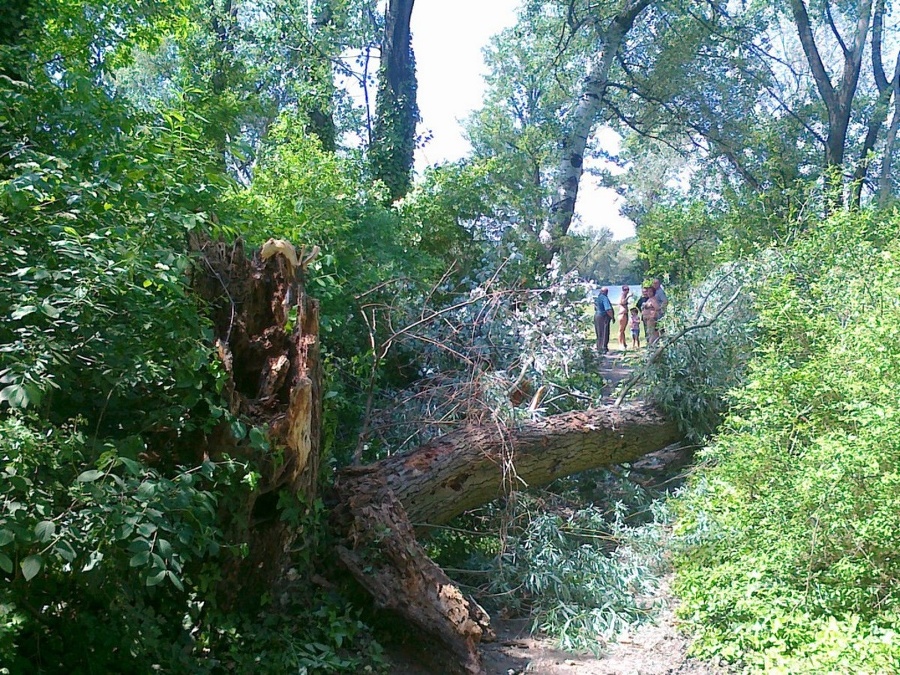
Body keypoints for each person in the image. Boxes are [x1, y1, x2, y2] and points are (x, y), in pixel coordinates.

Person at [593, 287, 613, 354]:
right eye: (606, 291)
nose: (607, 293)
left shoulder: (597, 298)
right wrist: (612, 317)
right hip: (603, 317)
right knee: (604, 332)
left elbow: (595, 308)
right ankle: (603, 348)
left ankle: (599, 347)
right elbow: (608, 309)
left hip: (597, 316)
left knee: (598, 333)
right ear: (604, 292)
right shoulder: (604, 298)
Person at [617, 285, 631, 350]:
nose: (627, 291)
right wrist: (628, 297)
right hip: (622, 314)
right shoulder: (622, 295)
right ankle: (620, 344)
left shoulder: (624, 295)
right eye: (625, 290)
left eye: (628, 289)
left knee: (623, 330)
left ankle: (624, 343)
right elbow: (622, 302)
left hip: (625, 314)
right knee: (621, 330)